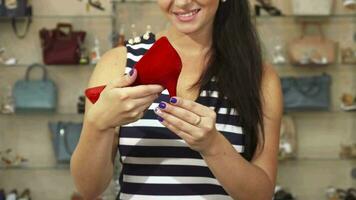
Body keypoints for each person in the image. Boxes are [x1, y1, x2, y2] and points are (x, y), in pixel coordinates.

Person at [70, 0, 283, 199]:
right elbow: (89, 189)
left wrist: (212, 146)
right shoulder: (118, 63)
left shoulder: (258, 76)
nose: (181, 3)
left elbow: (262, 194)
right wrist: (98, 125)